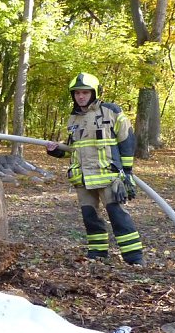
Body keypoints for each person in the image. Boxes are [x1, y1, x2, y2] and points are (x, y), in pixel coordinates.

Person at [46, 72, 143, 265]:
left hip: (108, 176)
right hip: (82, 178)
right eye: (77, 93)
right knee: (90, 217)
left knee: (118, 216)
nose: (80, 96)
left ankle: (134, 259)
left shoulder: (111, 111)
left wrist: (127, 172)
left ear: (95, 92)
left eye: (85, 92)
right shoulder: (73, 119)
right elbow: (75, 149)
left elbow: (127, 141)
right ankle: (97, 254)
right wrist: (56, 151)